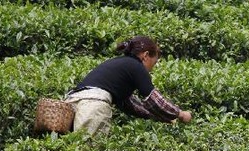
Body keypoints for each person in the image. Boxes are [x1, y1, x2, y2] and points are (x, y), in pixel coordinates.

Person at [64, 36, 192, 135]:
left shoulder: (119, 64)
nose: (152, 69)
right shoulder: (136, 66)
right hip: (93, 105)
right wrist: (180, 114)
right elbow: (154, 100)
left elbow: (131, 105)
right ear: (146, 55)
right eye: (154, 63)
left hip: (72, 103)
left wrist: (164, 117)